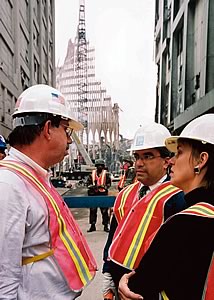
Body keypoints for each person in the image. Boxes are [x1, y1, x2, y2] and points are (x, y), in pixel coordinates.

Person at [0, 84, 97, 299]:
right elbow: (3, 275)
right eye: (66, 129)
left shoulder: (34, 176)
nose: (70, 140)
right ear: (47, 129)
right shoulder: (8, 185)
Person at [118, 114, 214, 300]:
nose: (171, 161)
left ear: (200, 160)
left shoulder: (184, 225)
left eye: (179, 152)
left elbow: (139, 289)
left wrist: (124, 283)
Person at [102, 123, 186, 300]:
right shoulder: (125, 194)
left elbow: (177, 258)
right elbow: (114, 238)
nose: (139, 163)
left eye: (147, 156)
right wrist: (108, 274)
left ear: (166, 161)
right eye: (137, 156)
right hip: (119, 285)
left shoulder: (177, 198)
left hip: (148, 289)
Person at [87, 158, 112, 233]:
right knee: (93, 210)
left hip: (103, 194)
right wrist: (92, 187)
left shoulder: (106, 174)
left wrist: (104, 187)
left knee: (104, 211)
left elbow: (108, 184)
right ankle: (92, 225)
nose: (100, 167)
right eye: (98, 165)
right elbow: (88, 184)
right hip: (93, 194)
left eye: (101, 165)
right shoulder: (92, 174)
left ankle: (105, 225)